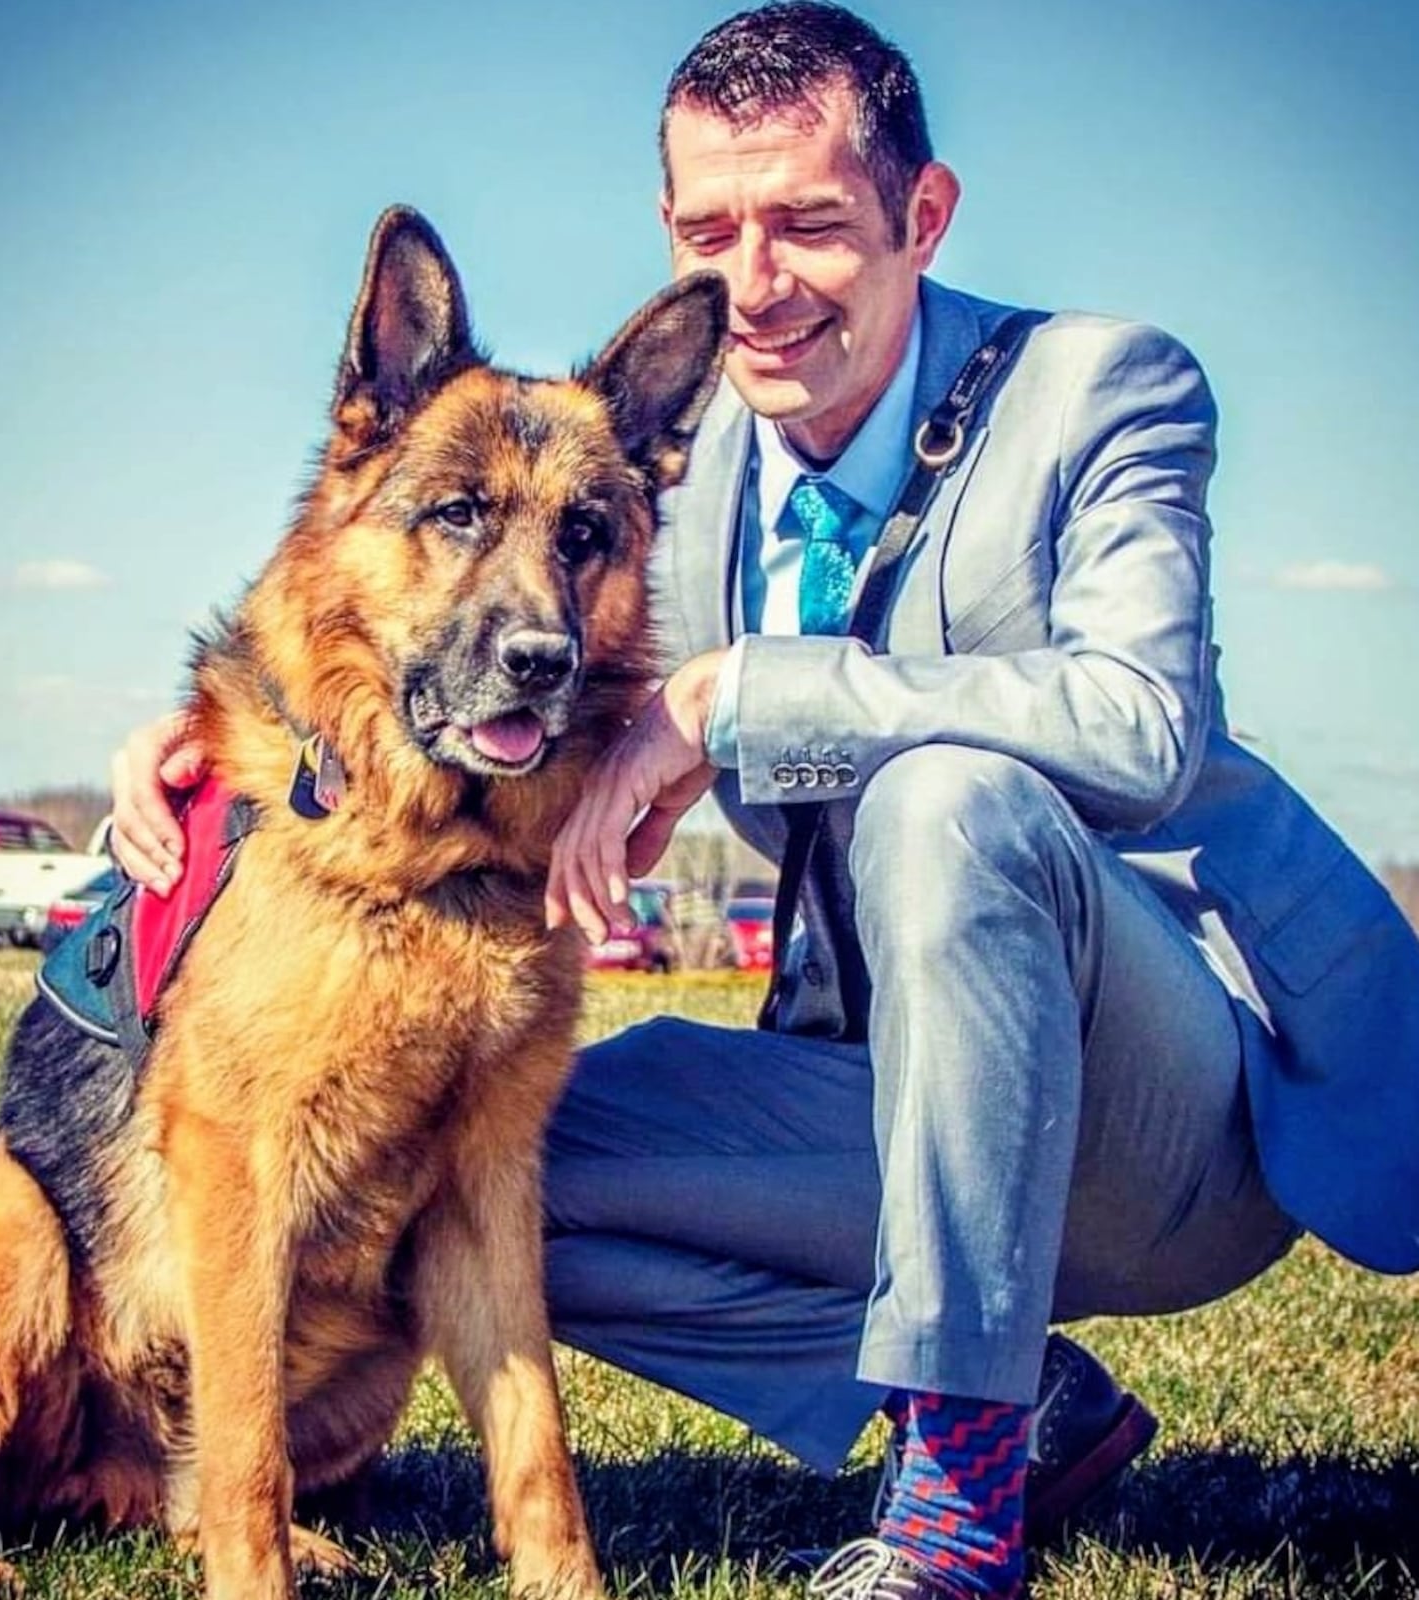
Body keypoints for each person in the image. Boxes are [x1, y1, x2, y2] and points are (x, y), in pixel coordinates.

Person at [109, 7, 1419, 1597]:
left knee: (949, 803)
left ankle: (951, 1510)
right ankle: (1008, 1397)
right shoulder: (663, 460)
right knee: (504, 1170)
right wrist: (209, 738)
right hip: (881, 1107)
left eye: (811, 223)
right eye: (714, 230)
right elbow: (454, 649)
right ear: (671, 230)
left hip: (1174, 1116)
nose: (760, 280)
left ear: (921, 217)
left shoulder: (1102, 387)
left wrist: (742, 697)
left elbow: (1137, 727)